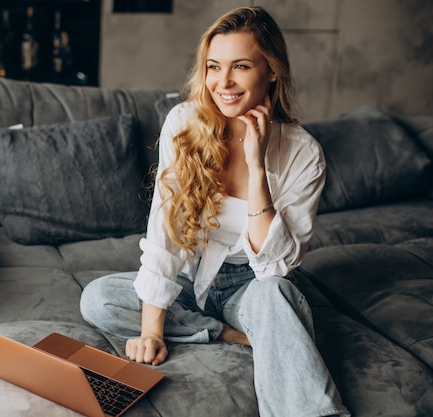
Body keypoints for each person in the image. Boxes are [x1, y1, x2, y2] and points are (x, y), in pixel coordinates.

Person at [80, 6, 350, 417]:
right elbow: (165, 231)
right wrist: (152, 331)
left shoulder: (303, 153)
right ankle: (235, 336)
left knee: (277, 295)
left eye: (240, 66)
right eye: (213, 66)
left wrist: (257, 167)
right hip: (191, 282)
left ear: (272, 71)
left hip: (252, 287)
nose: (223, 83)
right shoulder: (184, 123)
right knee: (99, 298)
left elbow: (275, 268)